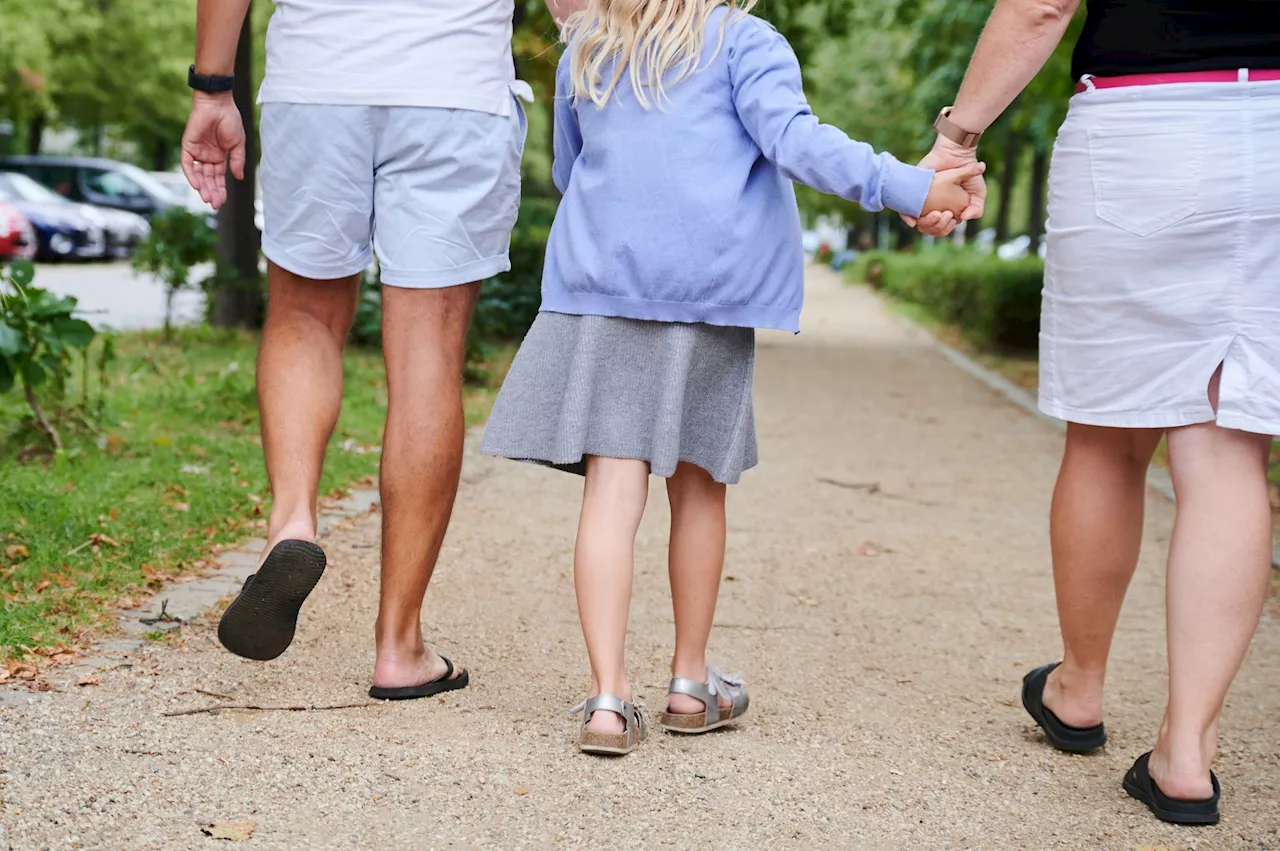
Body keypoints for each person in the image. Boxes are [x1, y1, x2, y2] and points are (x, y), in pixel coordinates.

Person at [481, 0, 982, 755]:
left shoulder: (589, 46)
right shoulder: (747, 42)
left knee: (611, 492)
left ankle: (609, 702)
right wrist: (908, 187)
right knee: (698, 484)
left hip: (606, 288)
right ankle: (688, 684)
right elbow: (796, 143)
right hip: (707, 295)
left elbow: (566, 169)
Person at [909, 0, 1280, 826]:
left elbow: (1042, 6)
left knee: (1109, 439)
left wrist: (958, 136)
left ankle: (1079, 688)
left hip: (1147, 124)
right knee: (1227, 449)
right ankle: (1187, 751)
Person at [180, 0, 533, 699]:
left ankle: (293, 521)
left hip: (319, 78)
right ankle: (399, 647)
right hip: (455, 86)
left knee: (304, 315)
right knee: (428, 348)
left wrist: (212, 85)